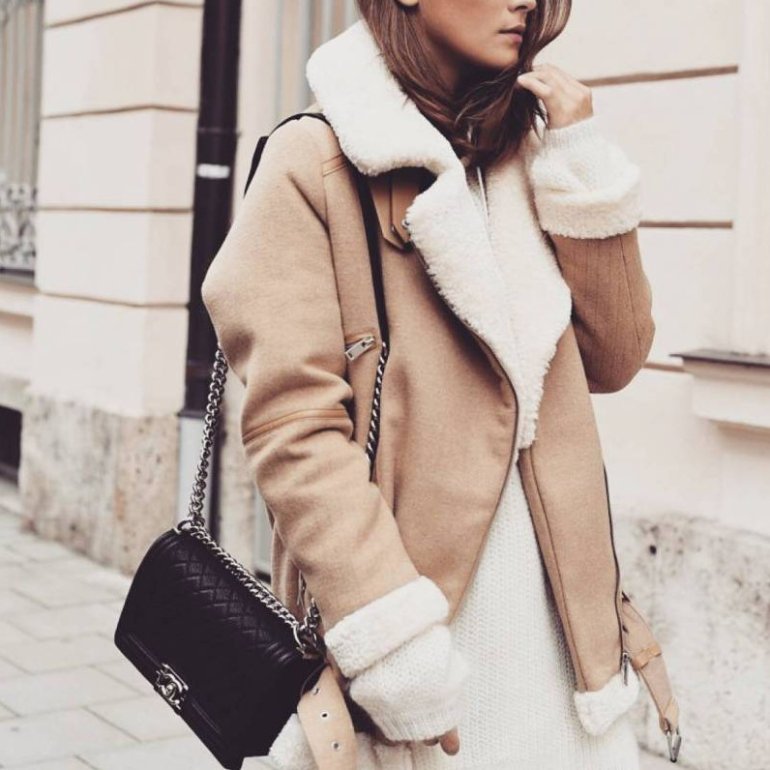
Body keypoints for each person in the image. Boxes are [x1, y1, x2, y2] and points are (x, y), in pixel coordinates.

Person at [203, 2, 681, 769]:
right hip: (421, 649)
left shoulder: (530, 152)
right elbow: (294, 427)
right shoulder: (316, 161)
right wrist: (395, 645)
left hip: (567, 646)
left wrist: (582, 157)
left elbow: (617, 356)